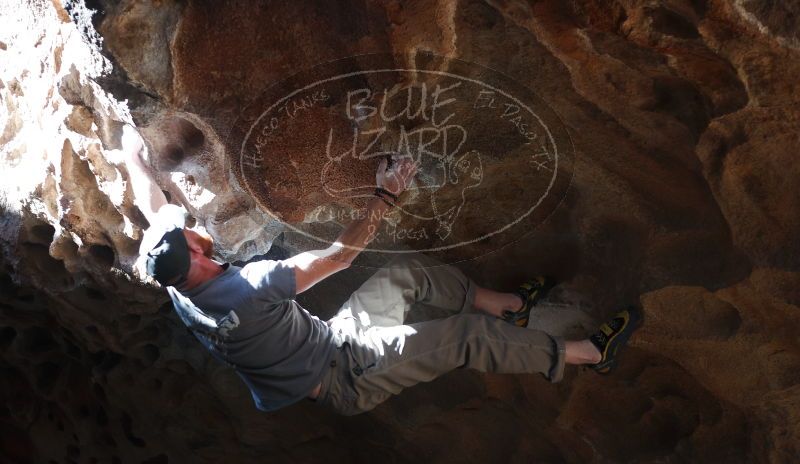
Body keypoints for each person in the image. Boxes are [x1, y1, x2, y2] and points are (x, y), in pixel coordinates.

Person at [123, 124, 641, 416]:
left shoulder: (182, 288)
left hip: (334, 341)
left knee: (404, 276)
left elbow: (152, 208)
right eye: (188, 233)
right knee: (464, 336)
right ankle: (589, 354)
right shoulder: (249, 288)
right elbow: (338, 257)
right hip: (349, 374)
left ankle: (511, 306)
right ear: (194, 254)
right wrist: (383, 197)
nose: (192, 225)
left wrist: (134, 157)